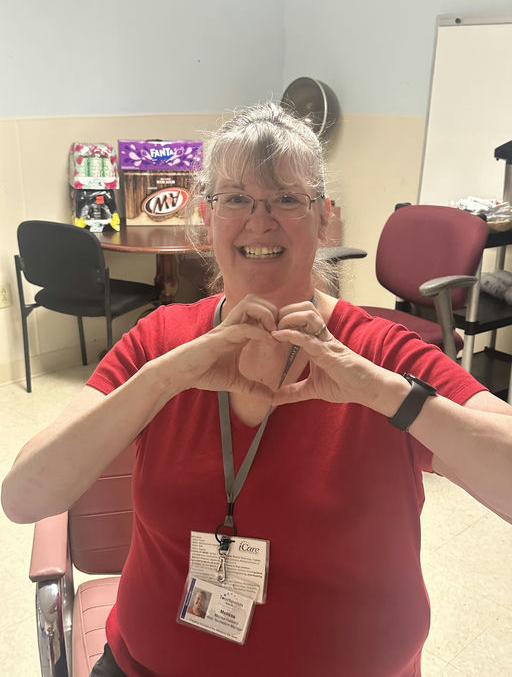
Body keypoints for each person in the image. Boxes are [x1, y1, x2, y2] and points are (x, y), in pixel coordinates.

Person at [2, 102, 512, 677]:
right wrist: (163, 379)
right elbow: (23, 498)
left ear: (324, 219)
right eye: (236, 199)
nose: (260, 221)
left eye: (287, 199)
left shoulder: (381, 355)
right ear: (206, 217)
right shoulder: (160, 341)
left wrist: (385, 394)